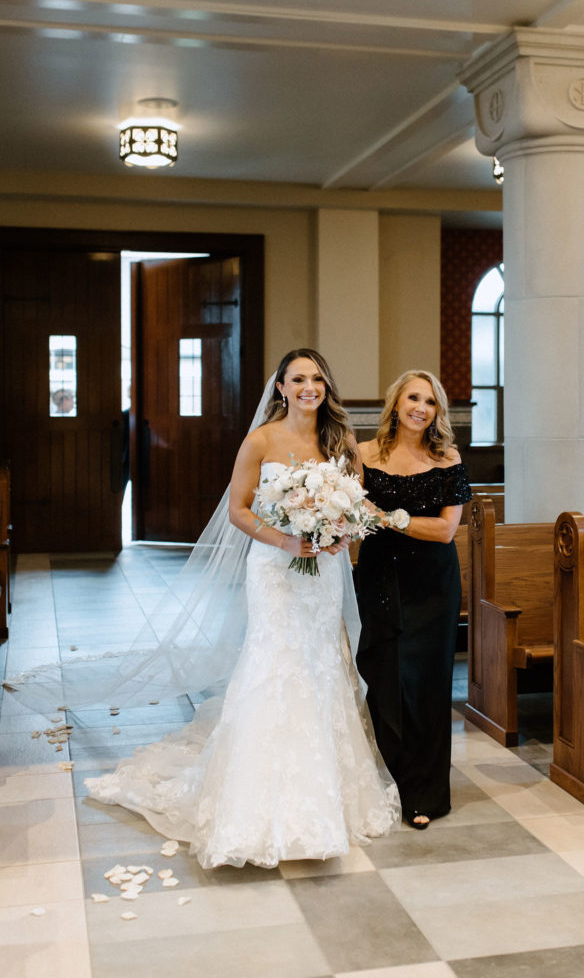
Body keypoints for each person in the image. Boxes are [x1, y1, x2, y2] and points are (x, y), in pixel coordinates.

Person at [80, 349, 400, 868]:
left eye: (317, 379)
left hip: (323, 576)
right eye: (298, 379)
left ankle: (324, 796)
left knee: (321, 668)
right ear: (280, 387)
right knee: (274, 664)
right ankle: (255, 803)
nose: (308, 388)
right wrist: (285, 540)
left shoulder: (340, 442)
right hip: (275, 571)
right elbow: (238, 510)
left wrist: (340, 532)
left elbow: (356, 503)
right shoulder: (261, 440)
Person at [355, 369, 471, 830]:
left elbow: (444, 531)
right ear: (396, 405)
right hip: (380, 577)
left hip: (432, 586)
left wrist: (386, 516)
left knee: (424, 685)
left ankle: (424, 793)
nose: (421, 407)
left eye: (431, 401)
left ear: (437, 411)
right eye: (413, 398)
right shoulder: (364, 454)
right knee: (383, 677)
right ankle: (389, 781)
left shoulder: (447, 459)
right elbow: (349, 513)